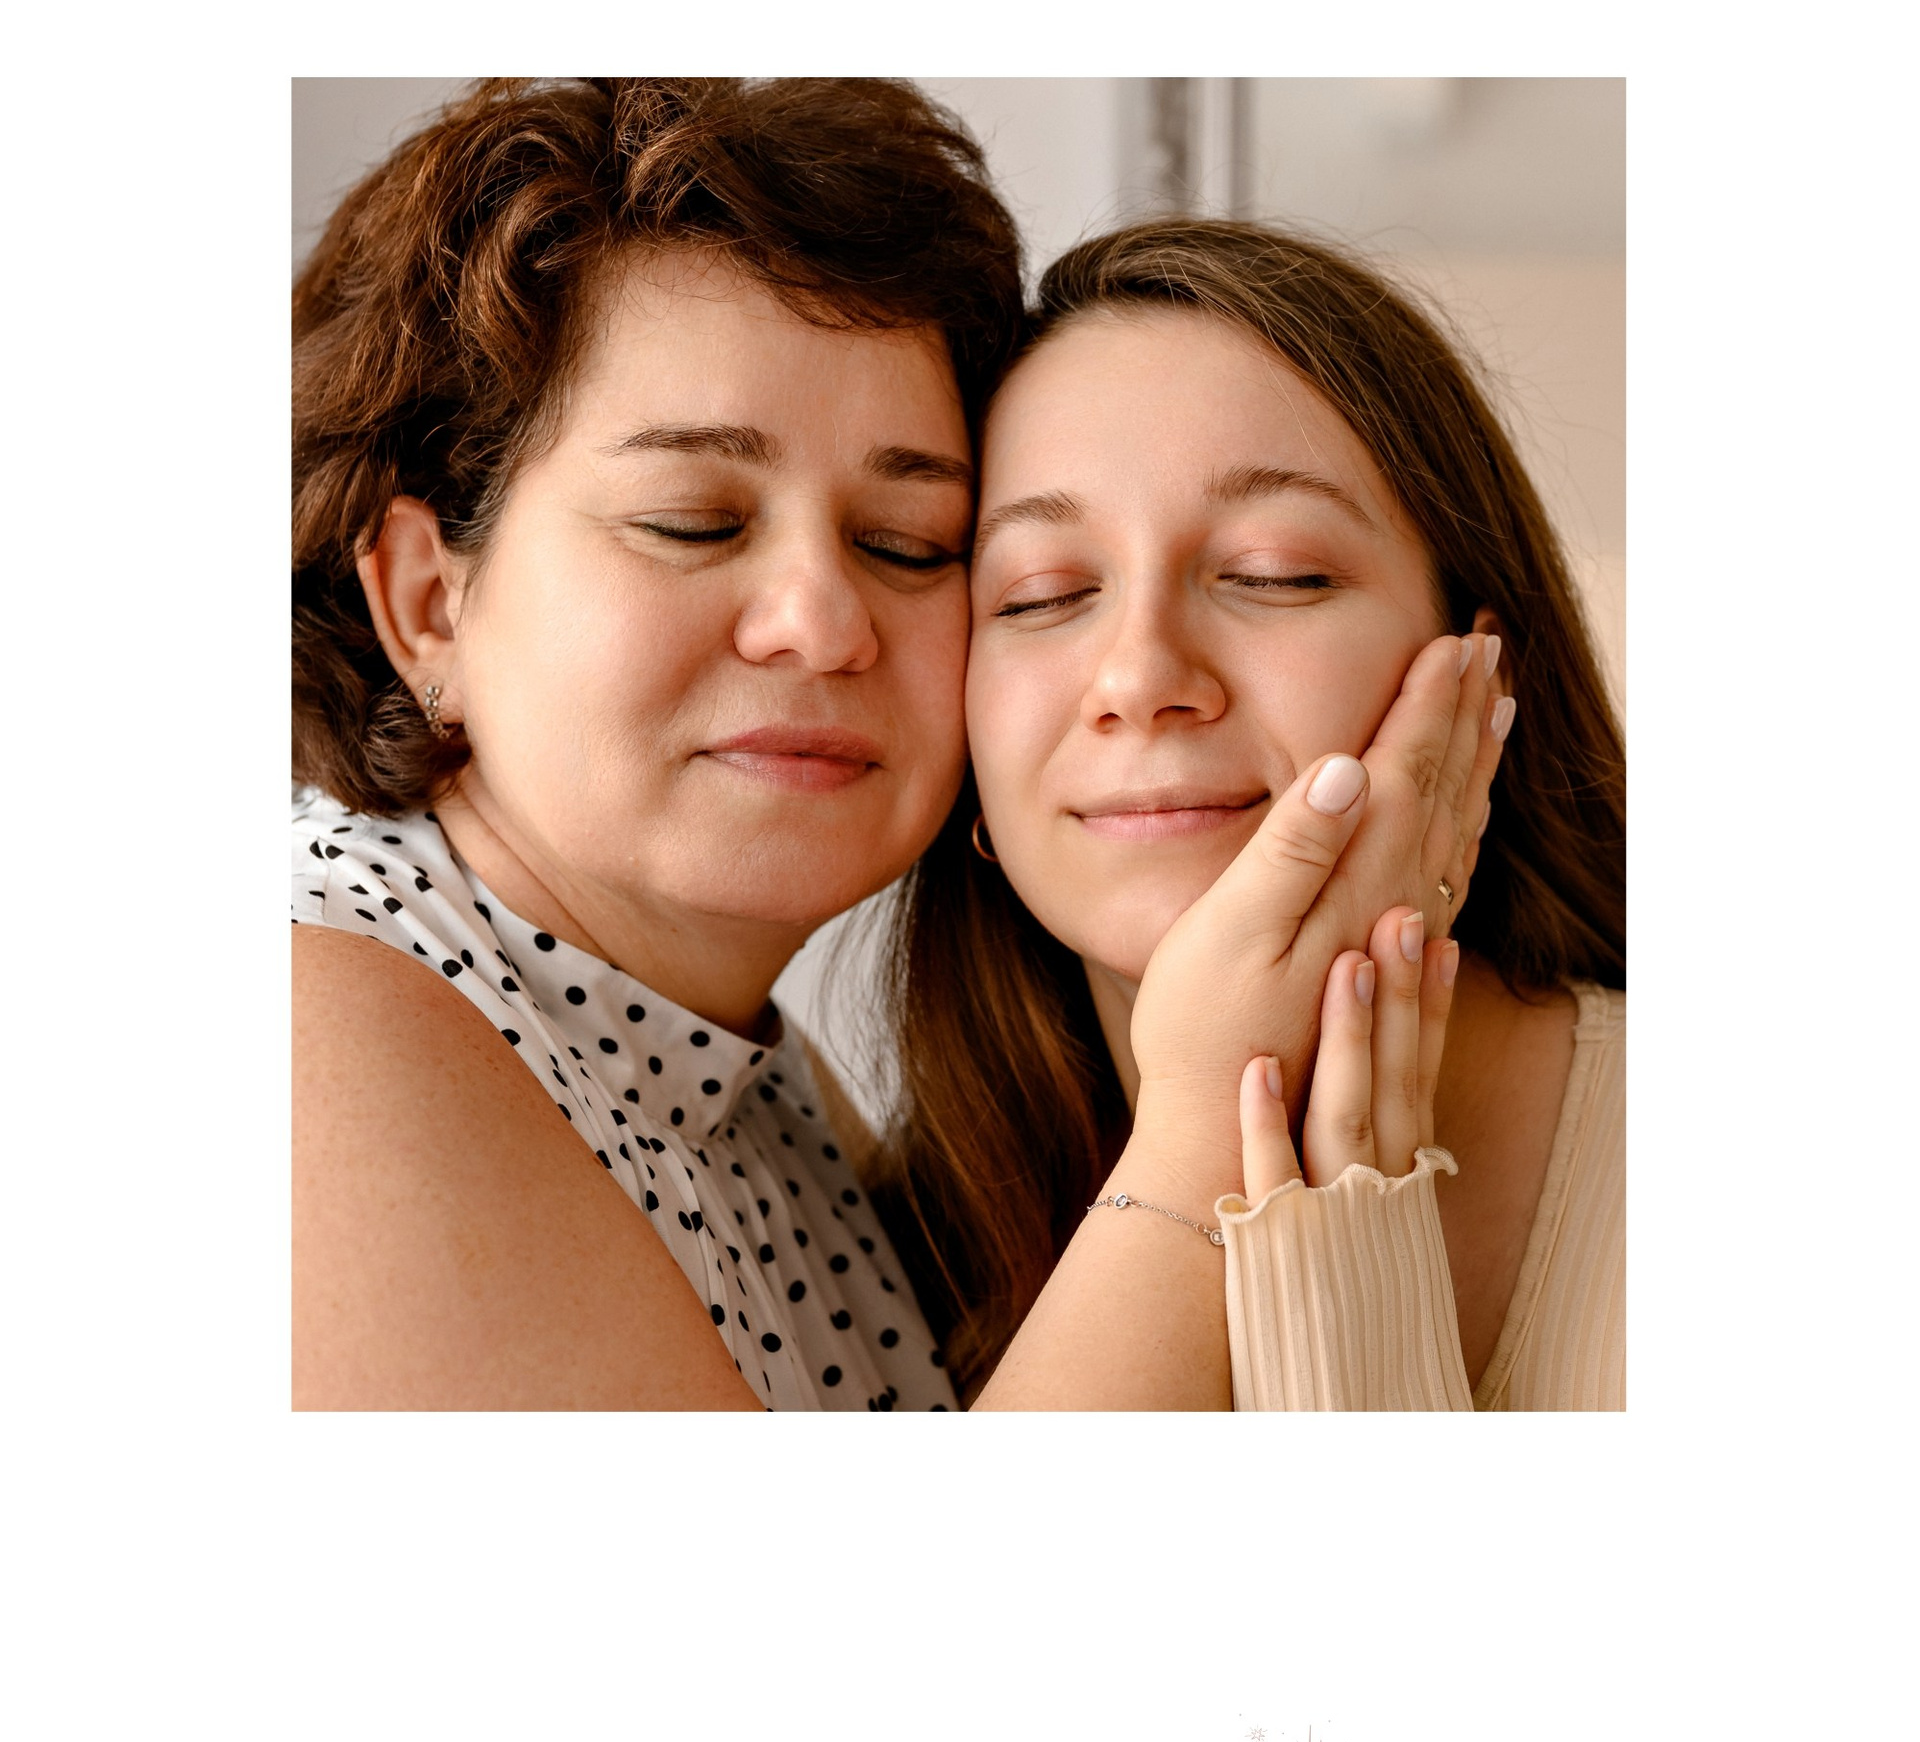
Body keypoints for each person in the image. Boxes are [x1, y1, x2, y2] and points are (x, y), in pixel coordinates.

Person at [292, 77, 1521, 1412]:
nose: (824, 623)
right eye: (695, 521)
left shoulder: (763, 1098)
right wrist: (1204, 1124)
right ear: (429, 600)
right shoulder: (306, 1033)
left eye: (909, 544)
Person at [869, 218, 1625, 1411]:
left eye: (1276, 574)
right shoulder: (888, 1257)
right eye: (1043, 594)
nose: (1139, 675)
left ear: (1481, 678)